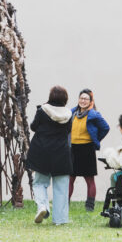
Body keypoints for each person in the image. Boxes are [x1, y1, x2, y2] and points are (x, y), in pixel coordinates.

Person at [26, 86, 73, 225]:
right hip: (62, 153)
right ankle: (60, 219)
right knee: (61, 188)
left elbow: (33, 127)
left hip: (42, 152)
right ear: (65, 99)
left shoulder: (42, 110)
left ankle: (42, 206)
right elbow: (68, 130)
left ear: (51, 96)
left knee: (40, 183)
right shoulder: (68, 114)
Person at [69, 88, 110, 212]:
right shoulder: (72, 112)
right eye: (81, 98)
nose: (83, 101)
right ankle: (65, 203)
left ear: (91, 101)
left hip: (87, 149)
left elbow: (105, 128)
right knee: (70, 178)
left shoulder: (94, 114)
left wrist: (95, 140)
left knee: (90, 179)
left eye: (86, 99)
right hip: (72, 149)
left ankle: (90, 206)